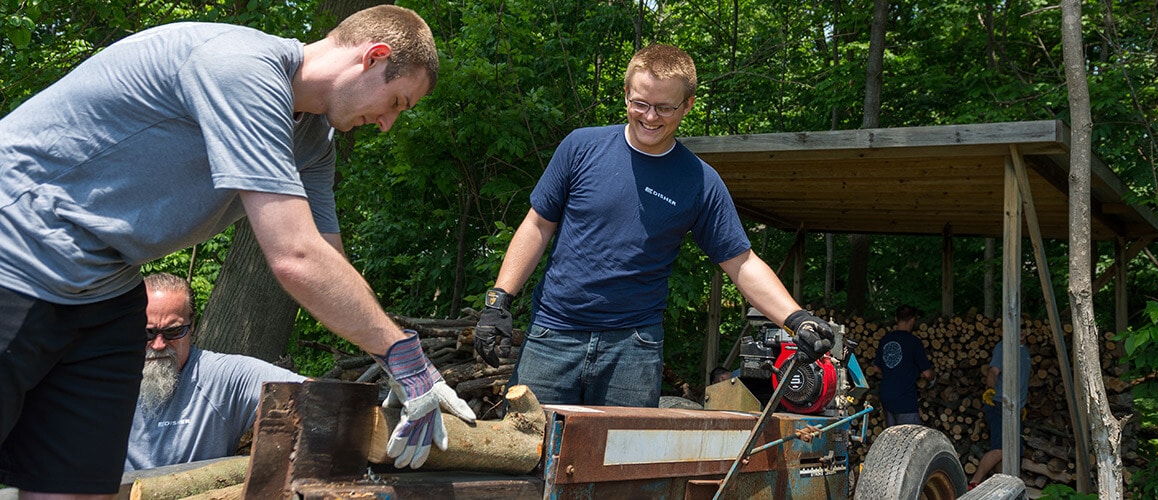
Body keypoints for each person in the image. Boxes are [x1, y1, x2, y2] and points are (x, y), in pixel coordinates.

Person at [0, 6, 472, 498]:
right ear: (374, 58)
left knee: (76, 488)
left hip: (104, 285)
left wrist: (396, 370)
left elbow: (329, 263)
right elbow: (295, 257)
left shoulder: (312, 140)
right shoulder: (240, 67)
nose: (388, 123)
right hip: (15, 248)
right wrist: (405, 356)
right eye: (396, 101)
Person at [472, 44, 834, 408]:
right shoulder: (580, 147)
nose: (649, 117)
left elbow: (741, 262)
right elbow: (537, 225)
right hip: (553, 333)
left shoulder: (699, 181)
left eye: (664, 107)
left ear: (688, 105)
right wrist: (499, 299)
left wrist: (795, 318)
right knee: (526, 447)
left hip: (633, 348)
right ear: (626, 93)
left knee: (622, 462)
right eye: (640, 103)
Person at [125, 273, 307, 471]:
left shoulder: (222, 377)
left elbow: (315, 396)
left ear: (192, 325)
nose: (159, 344)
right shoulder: (102, 377)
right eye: (147, 332)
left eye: (174, 331)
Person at [969, 322, 1032, 488]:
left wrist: (1021, 405)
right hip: (999, 404)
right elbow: (993, 372)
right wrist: (990, 391)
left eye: (1023, 327)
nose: (1021, 331)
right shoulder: (1003, 347)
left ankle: (1001, 486)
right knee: (1001, 448)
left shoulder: (1025, 351)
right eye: (1017, 326)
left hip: (1015, 408)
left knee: (1011, 452)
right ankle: (974, 482)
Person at [872, 304, 934, 426]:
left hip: (887, 397)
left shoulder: (885, 339)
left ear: (896, 319)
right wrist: (932, 376)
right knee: (910, 440)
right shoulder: (914, 342)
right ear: (912, 320)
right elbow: (927, 374)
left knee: (892, 439)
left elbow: (876, 368)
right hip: (905, 400)